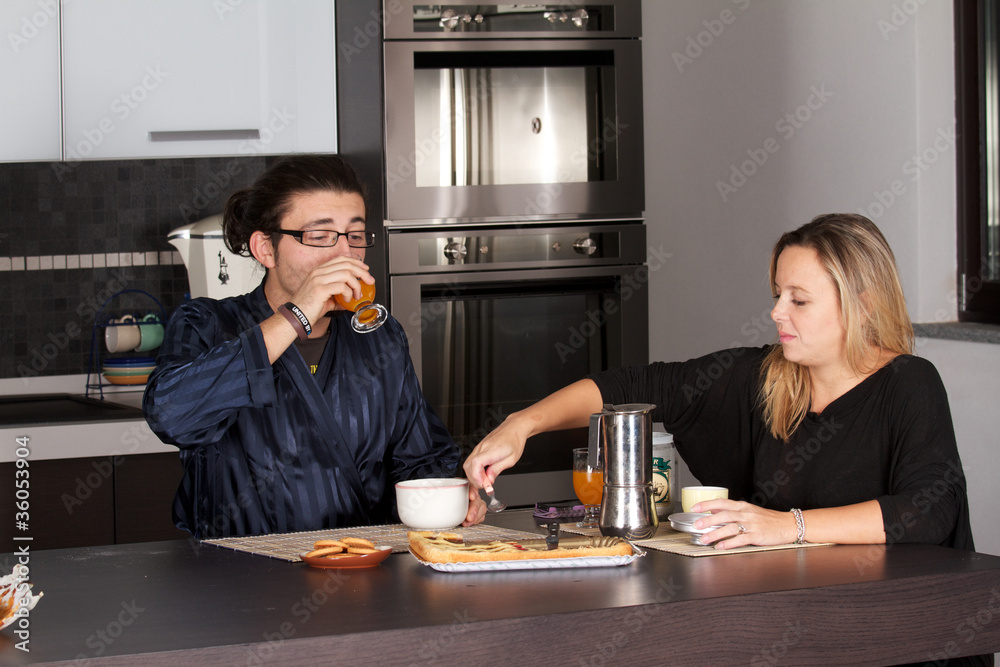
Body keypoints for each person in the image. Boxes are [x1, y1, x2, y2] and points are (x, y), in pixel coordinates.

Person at [464, 213, 979, 553]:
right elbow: (635, 384)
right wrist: (522, 425)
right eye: (778, 294)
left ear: (861, 304)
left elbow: (929, 510)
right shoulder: (763, 376)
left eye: (799, 300)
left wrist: (788, 526)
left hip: (900, 628)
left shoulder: (909, 384)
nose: (777, 312)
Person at [144, 155, 486, 538]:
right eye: (320, 237)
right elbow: (171, 416)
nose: (344, 254)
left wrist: (448, 495)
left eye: (355, 235)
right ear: (266, 249)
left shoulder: (379, 337)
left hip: (364, 565)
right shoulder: (206, 324)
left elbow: (419, 458)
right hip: (238, 570)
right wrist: (296, 316)